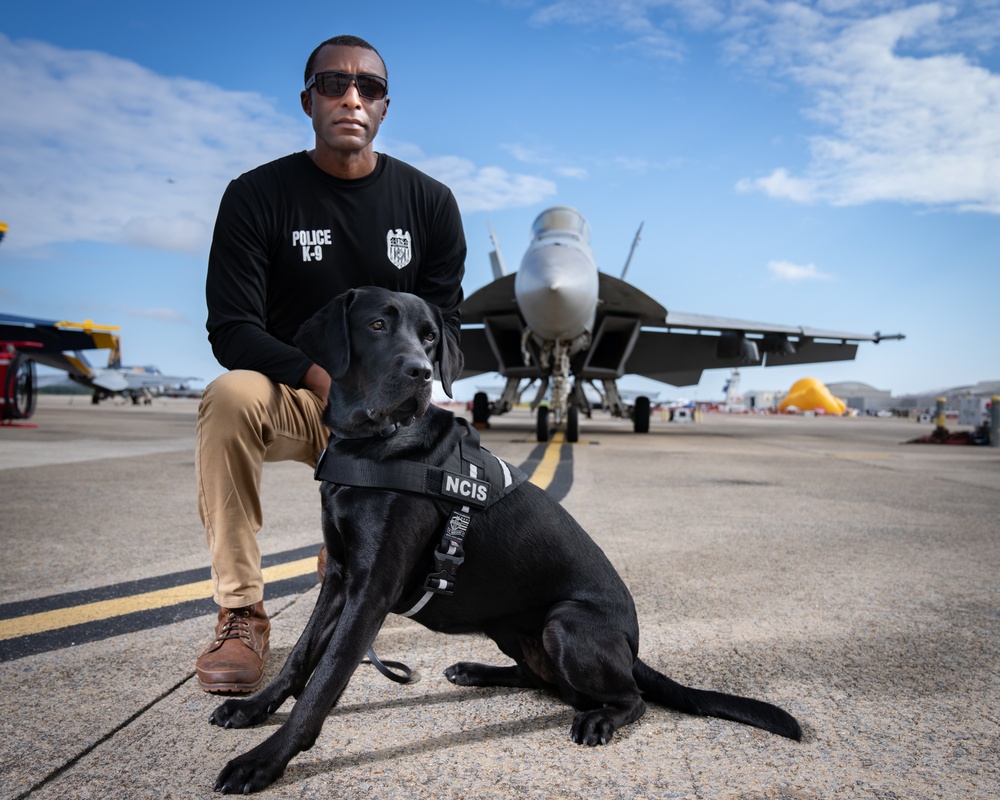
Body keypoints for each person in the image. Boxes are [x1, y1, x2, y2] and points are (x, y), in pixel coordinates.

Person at [194, 34, 466, 694]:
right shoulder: (257, 196)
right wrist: (324, 380)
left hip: (389, 417)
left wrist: (414, 402)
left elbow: (443, 326)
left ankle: (344, 564)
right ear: (307, 100)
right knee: (229, 396)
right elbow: (231, 329)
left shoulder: (430, 204)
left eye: (367, 88)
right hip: (304, 394)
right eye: (333, 84)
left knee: (450, 453)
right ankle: (240, 612)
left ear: (384, 106)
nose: (351, 97)